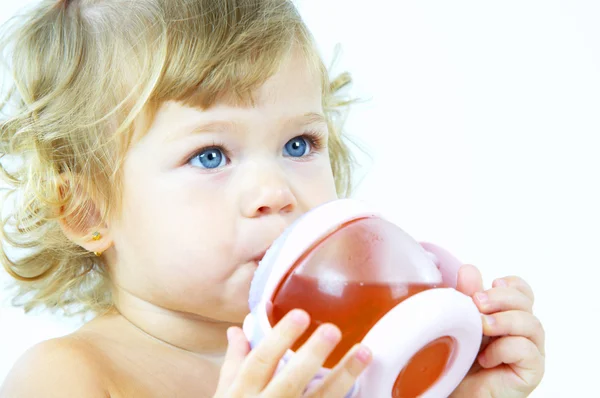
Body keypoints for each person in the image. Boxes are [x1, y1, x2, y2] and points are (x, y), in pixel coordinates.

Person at [0, 0, 545, 397]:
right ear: (87, 210)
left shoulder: (356, 353)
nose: (275, 193)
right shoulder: (67, 377)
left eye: (298, 144)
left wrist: (450, 384)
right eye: (210, 155)